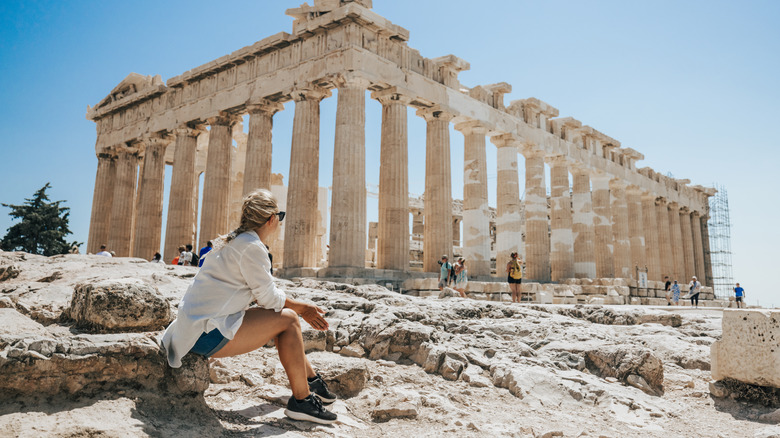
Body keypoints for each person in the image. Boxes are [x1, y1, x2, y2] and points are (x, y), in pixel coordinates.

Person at [161, 189, 337, 424]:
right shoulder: (252, 247)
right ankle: (303, 401)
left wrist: (293, 305)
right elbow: (269, 299)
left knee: (282, 316)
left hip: (192, 329)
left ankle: (312, 381)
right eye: (280, 217)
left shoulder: (231, 240)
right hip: (204, 335)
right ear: (271, 219)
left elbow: (257, 296)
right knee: (289, 319)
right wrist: (303, 308)